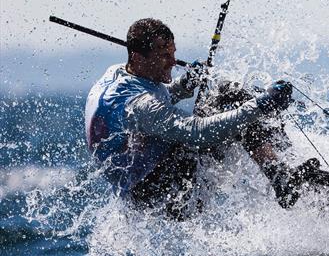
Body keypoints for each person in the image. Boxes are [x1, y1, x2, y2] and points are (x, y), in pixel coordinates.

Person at [85, 18, 311, 219]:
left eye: (173, 53)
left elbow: (157, 102)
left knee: (231, 102)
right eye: (164, 56)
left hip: (150, 181)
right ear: (137, 56)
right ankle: (279, 175)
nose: (173, 62)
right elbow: (197, 132)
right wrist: (261, 104)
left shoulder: (120, 74)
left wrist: (184, 85)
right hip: (166, 197)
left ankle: (279, 169)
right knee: (232, 97)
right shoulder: (137, 104)